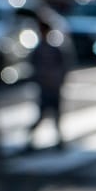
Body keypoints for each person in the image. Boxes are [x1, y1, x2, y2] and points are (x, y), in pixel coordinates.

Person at [28, 20, 73, 152]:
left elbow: (64, 65)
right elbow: (33, 66)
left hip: (54, 85)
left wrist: (60, 79)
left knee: (56, 114)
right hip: (45, 86)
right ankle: (31, 138)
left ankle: (59, 140)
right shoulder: (39, 49)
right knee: (43, 114)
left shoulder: (55, 49)